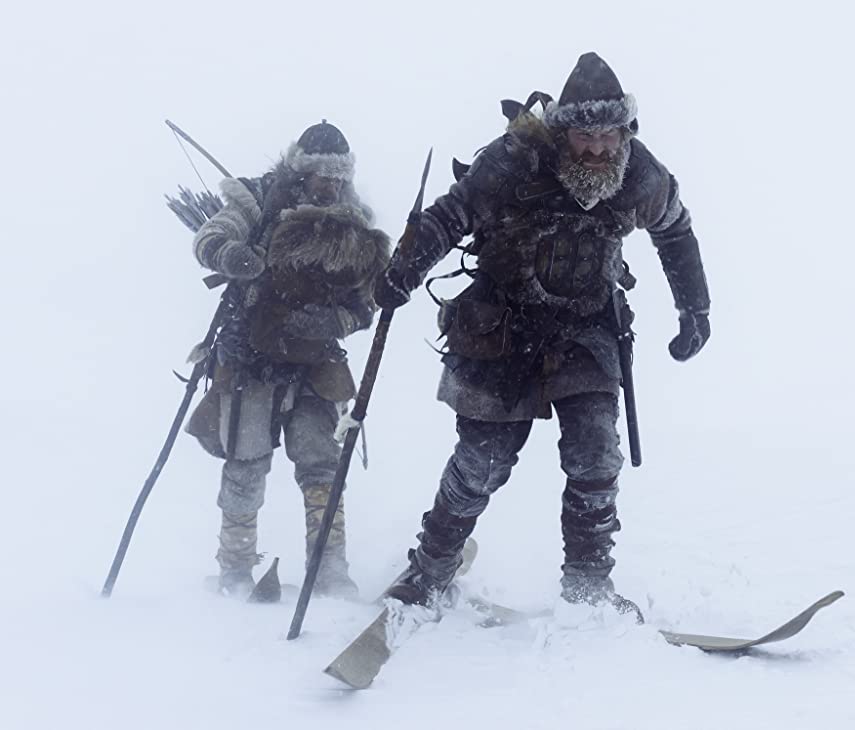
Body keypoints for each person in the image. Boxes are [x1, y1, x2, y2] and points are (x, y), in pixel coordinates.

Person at [373, 53, 711, 615]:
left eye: (610, 135)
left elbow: (675, 231)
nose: (599, 149)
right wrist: (403, 271)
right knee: (481, 463)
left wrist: (694, 309)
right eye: (585, 135)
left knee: (597, 455)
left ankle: (588, 584)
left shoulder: (639, 173)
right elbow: (450, 214)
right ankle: (429, 571)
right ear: (563, 131)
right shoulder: (514, 163)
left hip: (587, 329)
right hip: (503, 327)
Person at [186, 121, 391, 598]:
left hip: (317, 364)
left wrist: (339, 321)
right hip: (250, 358)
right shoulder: (255, 201)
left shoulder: (353, 219)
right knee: (246, 460)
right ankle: (235, 569)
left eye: (338, 175)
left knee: (321, 464)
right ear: (300, 169)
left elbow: (368, 296)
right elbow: (210, 237)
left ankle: (328, 569)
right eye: (322, 174)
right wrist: (232, 255)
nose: (331, 183)